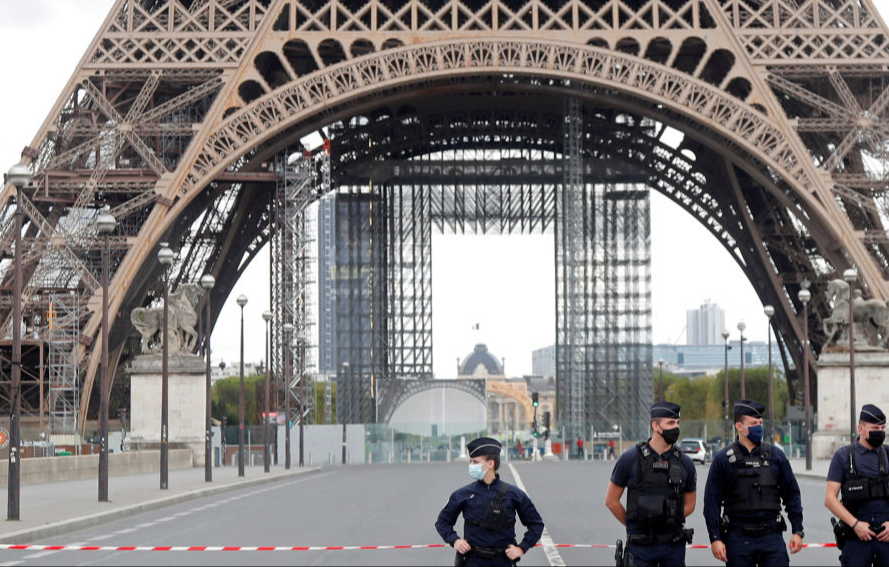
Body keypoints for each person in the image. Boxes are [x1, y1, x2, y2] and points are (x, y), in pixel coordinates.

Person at [704, 400, 804, 566]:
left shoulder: (775, 456)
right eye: (753, 423)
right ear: (739, 426)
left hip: (771, 536)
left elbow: (792, 494)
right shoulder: (723, 460)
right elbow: (711, 503)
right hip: (738, 538)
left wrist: (797, 530)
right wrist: (715, 538)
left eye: (760, 423)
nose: (759, 427)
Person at [605, 401, 696, 566]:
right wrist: (635, 522)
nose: (675, 427)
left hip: (673, 546)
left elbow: (690, 504)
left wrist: (668, 519)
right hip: (641, 547)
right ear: (656, 426)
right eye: (670, 423)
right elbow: (611, 501)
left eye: (677, 423)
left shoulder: (685, 463)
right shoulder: (630, 459)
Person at [435, 437, 544, 566]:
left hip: (503, 561)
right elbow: (442, 522)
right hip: (472, 561)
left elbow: (536, 524)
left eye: (475, 462)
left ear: (490, 463)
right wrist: (455, 541)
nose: (471, 466)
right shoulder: (462, 494)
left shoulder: (514, 494)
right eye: (470, 462)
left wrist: (521, 548)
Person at [825, 404, 889, 566]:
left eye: (882, 427)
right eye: (875, 427)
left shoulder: (888, 454)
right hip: (856, 540)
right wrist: (855, 524)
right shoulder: (843, 456)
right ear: (860, 428)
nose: (880, 431)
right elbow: (830, 499)